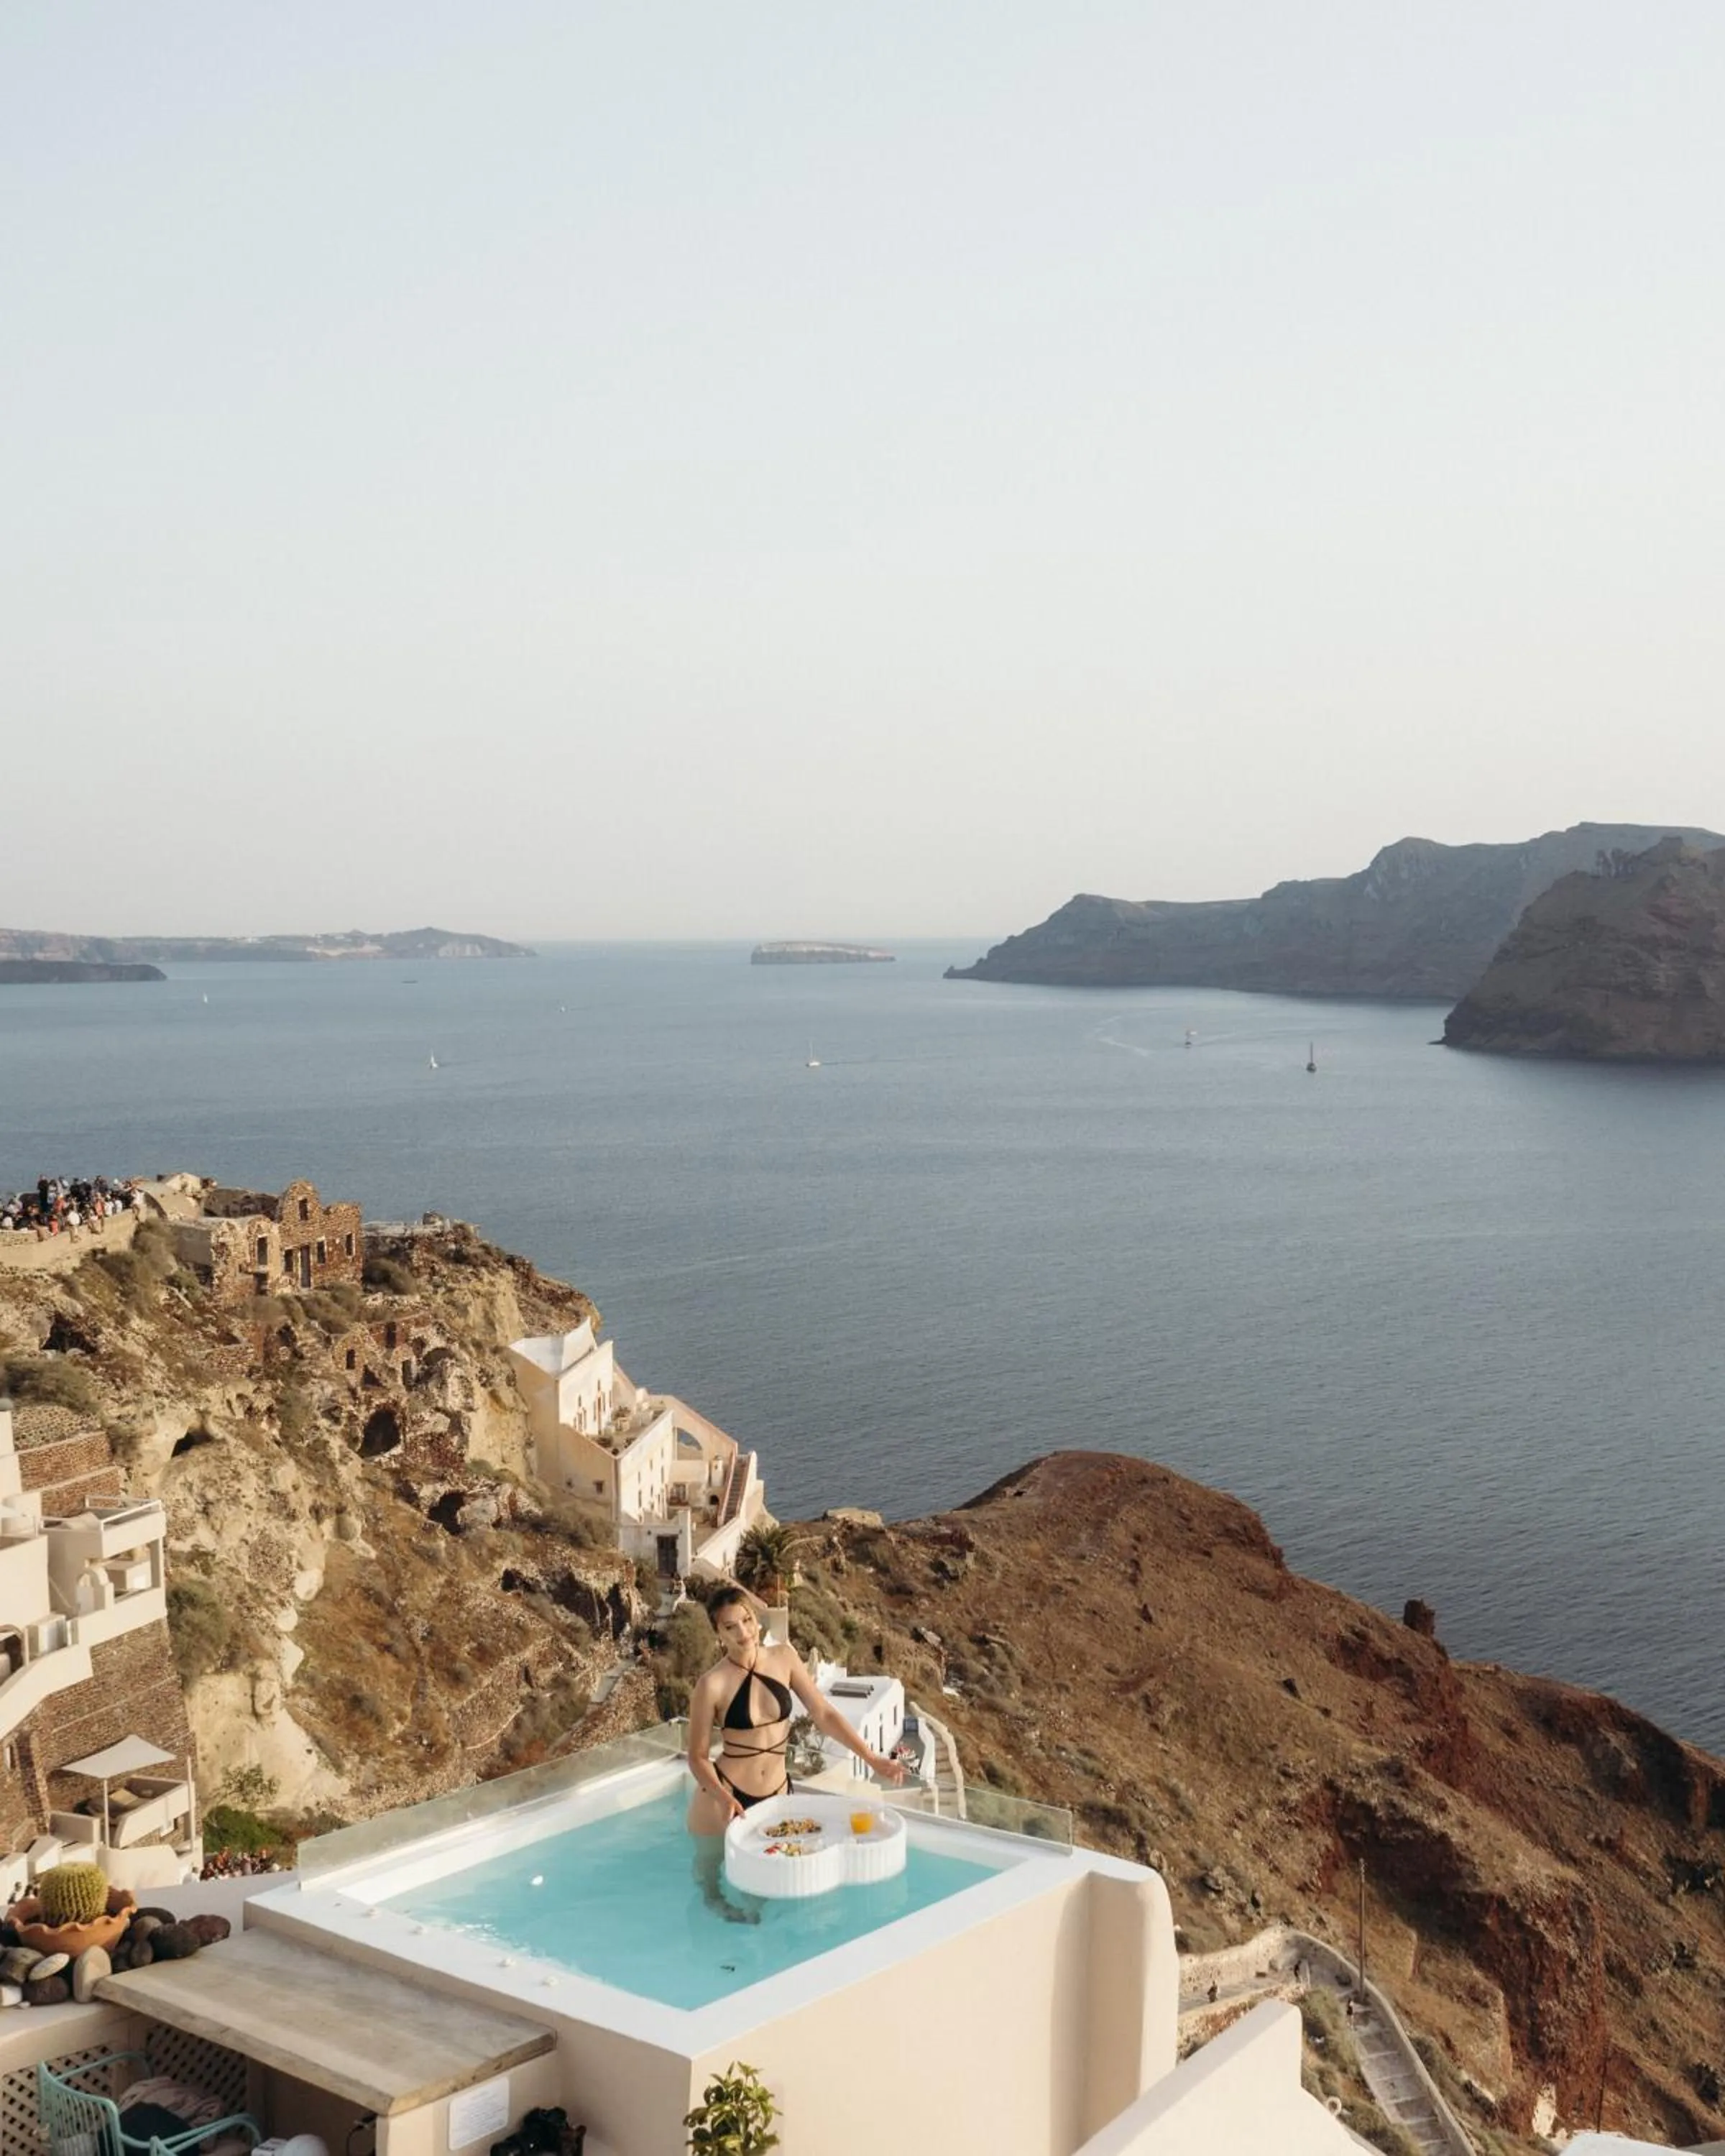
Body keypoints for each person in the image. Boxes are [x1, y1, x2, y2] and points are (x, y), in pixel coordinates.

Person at [684, 1584, 906, 1912]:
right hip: (724, 1800)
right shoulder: (711, 1684)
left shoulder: (784, 1658)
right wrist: (723, 1797)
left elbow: (825, 1713)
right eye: (730, 1627)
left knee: (774, 1890)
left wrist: (871, 1757)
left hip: (778, 1796)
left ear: (756, 1618)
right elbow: (697, 1757)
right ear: (718, 1632)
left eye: (747, 1620)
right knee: (713, 1893)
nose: (743, 1633)